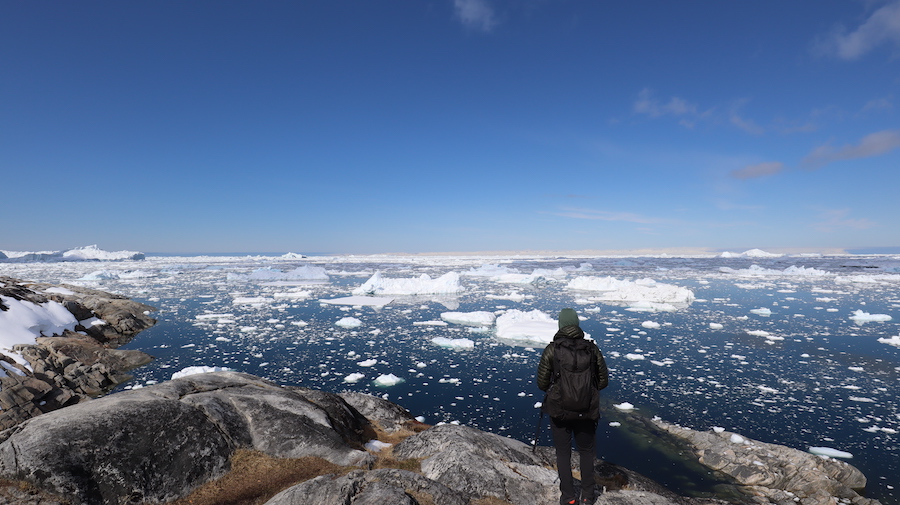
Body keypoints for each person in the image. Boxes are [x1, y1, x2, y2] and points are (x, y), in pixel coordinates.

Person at [536, 308, 609, 505]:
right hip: (586, 411)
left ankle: (568, 498)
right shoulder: (591, 349)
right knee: (586, 452)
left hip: (560, 412)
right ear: (576, 325)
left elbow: (542, 383)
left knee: (563, 453)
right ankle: (587, 496)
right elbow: (603, 381)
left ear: (560, 325)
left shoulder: (552, 350)